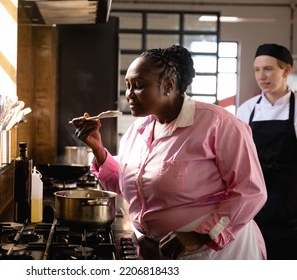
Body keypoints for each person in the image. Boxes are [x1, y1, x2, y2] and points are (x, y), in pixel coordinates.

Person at [70, 45, 267, 260]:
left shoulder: (219, 124)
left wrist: (201, 235)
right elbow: (128, 187)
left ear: (168, 85)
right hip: (156, 250)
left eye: (138, 86)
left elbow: (250, 192)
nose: (128, 95)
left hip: (212, 253)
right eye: (127, 86)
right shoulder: (139, 129)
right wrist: (98, 149)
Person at [236, 43, 297, 260]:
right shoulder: (246, 110)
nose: (261, 76)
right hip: (255, 205)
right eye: (257, 69)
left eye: (268, 69)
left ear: (286, 71)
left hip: (291, 205)